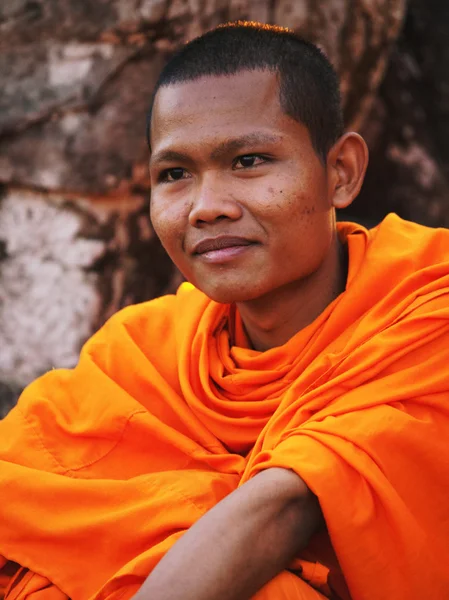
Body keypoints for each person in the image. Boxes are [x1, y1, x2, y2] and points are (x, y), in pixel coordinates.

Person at [1, 21, 449, 600]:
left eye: (249, 161)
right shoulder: (139, 355)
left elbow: (292, 499)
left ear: (341, 172)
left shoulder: (425, 308)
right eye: (175, 175)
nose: (206, 208)